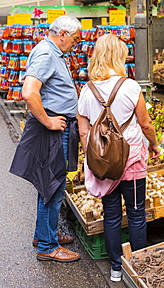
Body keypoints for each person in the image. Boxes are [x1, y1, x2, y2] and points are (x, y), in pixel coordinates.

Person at [78, 34, 160, 282]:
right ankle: (138, 268)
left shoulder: (87, 89)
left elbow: (83, 131)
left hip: (103, 165)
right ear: (119, 56)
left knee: (111, 215)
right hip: (132, 159)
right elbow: (145, 124)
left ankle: (115, 268)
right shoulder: (131, 86)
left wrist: (93, 157)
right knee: (135, 213)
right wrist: (154, 145)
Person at [10, 15, 82, 262]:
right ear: (63, 34)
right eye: (75, 38)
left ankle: (43, 234)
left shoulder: (51, 51)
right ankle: (47, 247)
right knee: (52, 186)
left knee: (50, 185)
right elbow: (29, 93)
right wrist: (49, 121)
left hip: (55, 128)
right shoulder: (46, 54)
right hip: (52, 131)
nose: (76, 43)